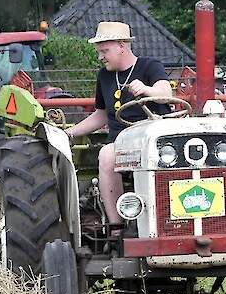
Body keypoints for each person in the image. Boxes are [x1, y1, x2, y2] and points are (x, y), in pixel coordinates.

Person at [63, 21, 173, 225]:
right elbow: (101, 115)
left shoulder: (150, 66)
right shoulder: (104, 76)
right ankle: (116, 226)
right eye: (99, 51)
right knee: (106, 155)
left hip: (156, 140)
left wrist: (147, 90)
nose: (100, 57)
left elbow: (166, 94)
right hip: (122, 142)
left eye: (104, 51)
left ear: (122, 46)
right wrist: (69, 132)